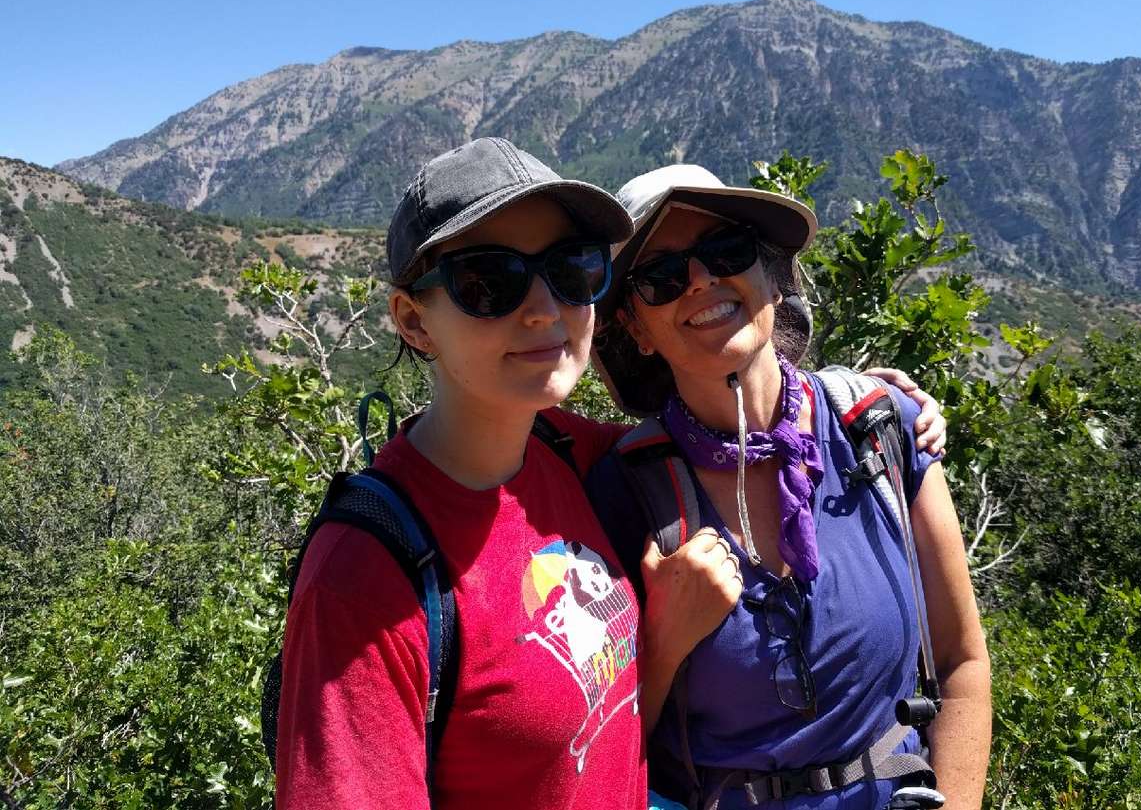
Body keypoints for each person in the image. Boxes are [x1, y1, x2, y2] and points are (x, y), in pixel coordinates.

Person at [274, 139, 950, 809]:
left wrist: (866, 398)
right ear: (413, 320)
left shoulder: (572, 456)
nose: (543, 307)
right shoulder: (364, 578)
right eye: (488, 283)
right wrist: (663, 638)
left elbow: (720, 426)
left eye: (570, 269)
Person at [585, 164, 991, 810]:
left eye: (726, 251)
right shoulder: (624, 492)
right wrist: (663, 639)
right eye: (661, 276)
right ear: (635, 326)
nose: (701, 280)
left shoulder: (880, 428)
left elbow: (962, 661)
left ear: (769, 273)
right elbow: (596, 738)